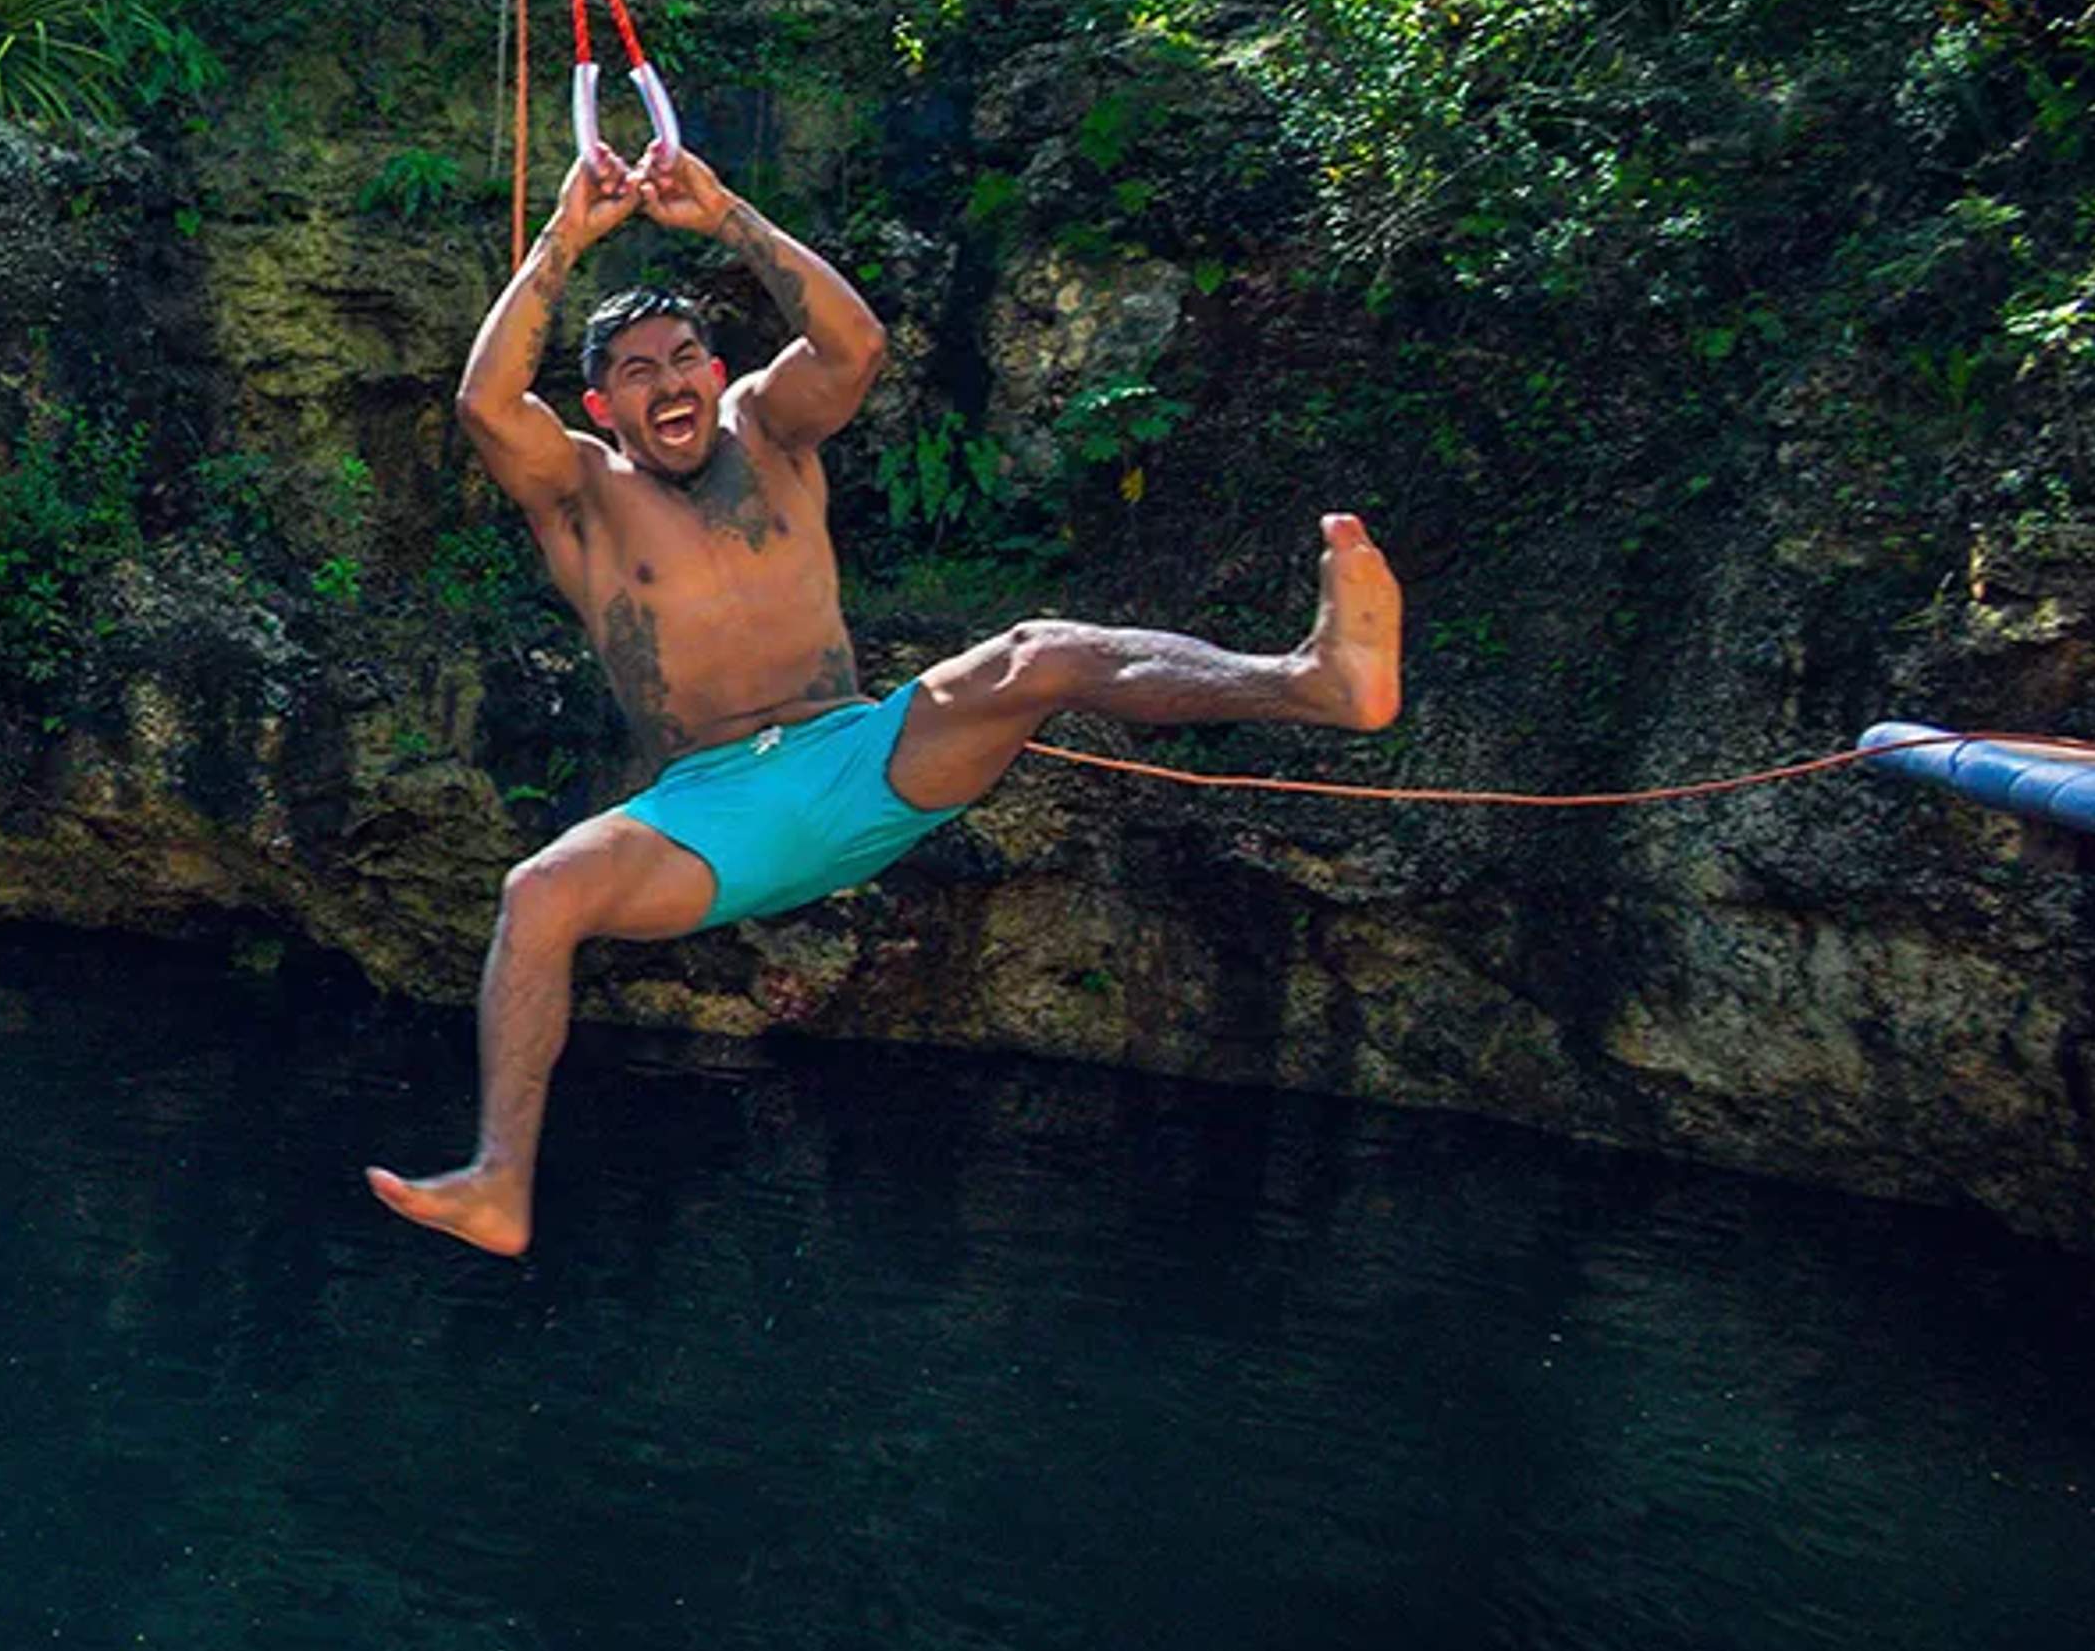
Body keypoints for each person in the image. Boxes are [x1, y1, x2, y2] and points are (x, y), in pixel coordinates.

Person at [366, 142, 1404, 1255]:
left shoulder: (767, 428)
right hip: (710, 817)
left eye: (684, 358)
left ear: (716, 372)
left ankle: (1316, 680)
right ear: (601, 402)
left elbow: (856, 345)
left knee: (1033, 652)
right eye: (636, 369)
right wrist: (565, 239)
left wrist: (730, 219)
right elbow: (485, 405)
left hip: (865, 762)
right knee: (537, 895)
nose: (668, 381)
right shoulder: (579, 492)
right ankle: (500, 1179)